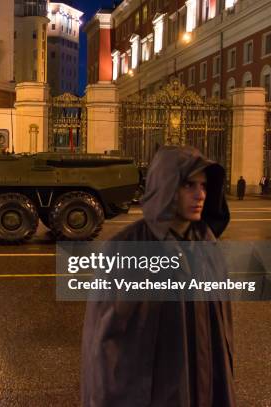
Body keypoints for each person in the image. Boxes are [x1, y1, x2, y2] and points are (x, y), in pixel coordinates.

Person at [82, 146, 235, 407]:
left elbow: (222, 334)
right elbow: (104, 347)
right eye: (188, 185)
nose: (200, 195)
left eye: (204, 186)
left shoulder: (208, 246)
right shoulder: (125, 249)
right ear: (166, 186)